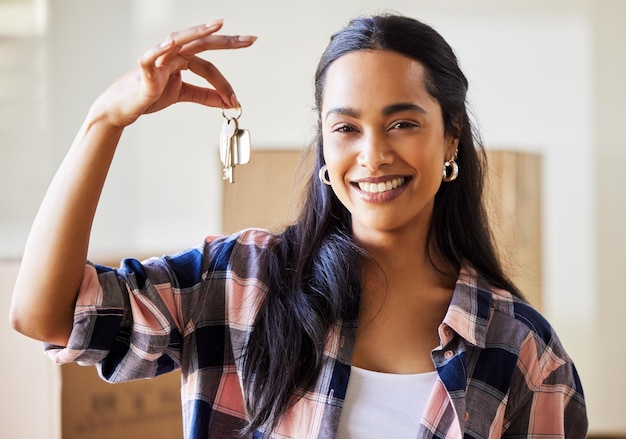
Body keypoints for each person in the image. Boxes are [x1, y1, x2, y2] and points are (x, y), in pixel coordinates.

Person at [9, 14, 587, 439]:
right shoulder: (239, 281)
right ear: (323, 148)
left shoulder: (523, 352)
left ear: (450, 138)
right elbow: (47, 316)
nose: (373, 154)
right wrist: (104, 121)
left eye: (403, 123)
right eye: (346, 128)